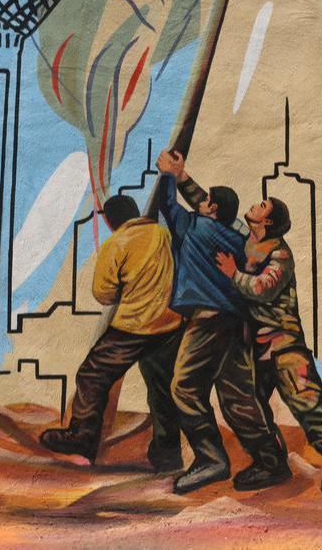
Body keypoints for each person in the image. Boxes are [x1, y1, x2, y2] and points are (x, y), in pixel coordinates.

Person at [215, 197, 322, 495]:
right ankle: (271, 464)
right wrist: (179, 177)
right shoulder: (247, 240)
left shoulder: (280, 254)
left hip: (283, 345)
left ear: (268, 221)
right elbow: (209, 203)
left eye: (263, 205)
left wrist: (233, 274)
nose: (255, 205)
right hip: (257, 347)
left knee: (308, 402)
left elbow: (263, 288)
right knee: (247, 404)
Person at [155, 150, 287, 494]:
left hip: (207, 321)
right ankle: (271, 461)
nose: (201, 202)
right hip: (236, 325)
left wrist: (168, 175)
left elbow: (168, 205)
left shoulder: (194, 227)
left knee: (184, 388)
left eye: (206, 201)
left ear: (211, 209)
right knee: (239, 396)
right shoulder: (241, 241)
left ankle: (211, 459)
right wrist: (183, 175)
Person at [39, 194, 185, 471]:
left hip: (134, 326)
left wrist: (127, 289)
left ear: (109, 221)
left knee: (92, 375)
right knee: (162, 387)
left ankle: (82, 438)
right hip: (169, 324)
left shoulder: (116, 243)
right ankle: (168, 454)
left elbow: (103, 293)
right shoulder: (162, 234)